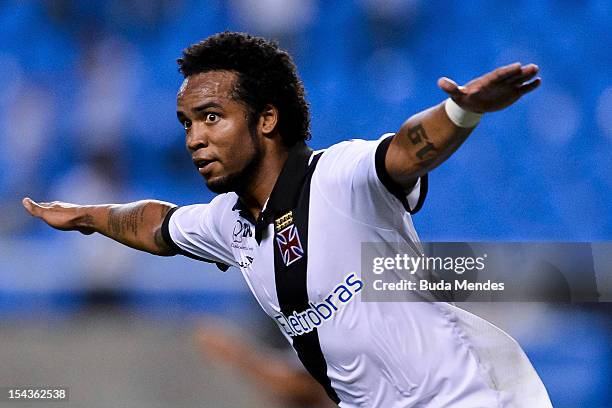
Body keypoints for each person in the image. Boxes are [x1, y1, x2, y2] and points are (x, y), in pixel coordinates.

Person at [23, 32, 551, 407]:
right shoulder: (227, 223)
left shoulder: (340, 176)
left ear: (268, 118)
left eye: (211, 117)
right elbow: (158, 225)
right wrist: (88, 216)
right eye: (186, 123)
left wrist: (462, 111)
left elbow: (408, 152)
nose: (194, 139)